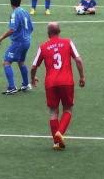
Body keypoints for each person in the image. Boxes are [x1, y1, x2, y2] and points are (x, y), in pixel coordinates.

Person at [30, 22, 86, 150]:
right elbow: (78, 59)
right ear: (59, 32)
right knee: (68, 109)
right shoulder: (68, 42)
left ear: (48, 33)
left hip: (50, 83)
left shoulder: (43, 46)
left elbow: (33, 66)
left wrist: (32, 79)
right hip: (66, 81)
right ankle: (59, 133)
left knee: (53, 112)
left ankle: (56, 143)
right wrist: (82, 76)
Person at [0, 0, 34, 94]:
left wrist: (1, 38)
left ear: (11, 3)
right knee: (21, 62)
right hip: (27, 41)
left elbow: (12, 29)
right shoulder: (25, 12)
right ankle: (26, 84)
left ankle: (12, 87)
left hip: (19, 42)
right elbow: (31, 27)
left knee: (6, 62)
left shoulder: (15, 13)